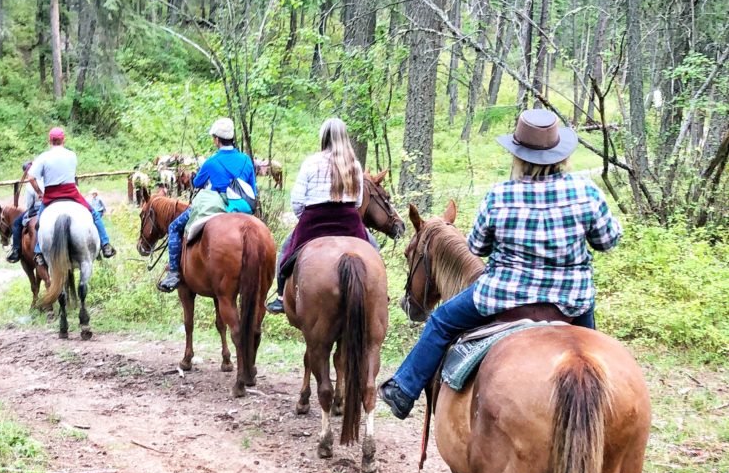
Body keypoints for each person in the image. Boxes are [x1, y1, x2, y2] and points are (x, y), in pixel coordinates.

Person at [378, 108, 622, 419]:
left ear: (518, 155)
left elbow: (477, 246)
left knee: (440, 322)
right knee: (593, 355)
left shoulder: (500, 195)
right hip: (571, 301)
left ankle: (404, 389)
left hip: (503, 298)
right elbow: (608, 241)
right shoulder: (587, 193)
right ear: (560, 154)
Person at [265, 117, 369, 314]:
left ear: (324, 137)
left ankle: (280, 296)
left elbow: (297, 201)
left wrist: (304, 218)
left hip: (314, 220)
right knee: (373, 248)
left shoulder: (311, 162)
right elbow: (357, 201)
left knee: (286, 252)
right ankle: (379, 291)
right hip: (348, 220)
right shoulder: (354, 165)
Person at [158, 117, 257, 292]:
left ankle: (174, 272)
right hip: (243, 207)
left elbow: (196, 183)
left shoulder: (211, 162)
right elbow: (253, 189)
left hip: (217, 204)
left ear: (217, 140)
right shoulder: (246, 160)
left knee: (174, 227)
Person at [21, 127, 116, 264]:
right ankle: (106, 244)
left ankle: (39, 252)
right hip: (71, 193)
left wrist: (40, 193)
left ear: (50, 140)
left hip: (51, 195)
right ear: (63, 139)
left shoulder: (43, 157)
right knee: (94, 215)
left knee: (40, 222)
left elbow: (31, 178)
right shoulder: (72, 155)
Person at [5, 162, 39, 263]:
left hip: (35, 208)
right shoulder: (43, 178)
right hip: (48, 205)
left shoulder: (30, 185)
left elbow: (29, 204)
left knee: (16, 223)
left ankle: (16, 250)